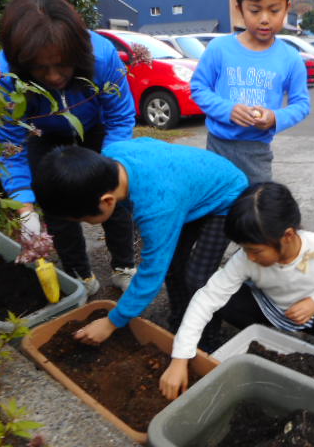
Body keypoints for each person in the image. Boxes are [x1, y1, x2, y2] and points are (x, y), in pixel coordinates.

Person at [0, 0, 137, 294]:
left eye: (63, 65)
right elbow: (8, 146)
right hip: (44, 134)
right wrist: (24, 207)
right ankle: (79, 275)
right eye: (41, 68)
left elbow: (120, 118)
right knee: (57, 206)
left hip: (97, 129)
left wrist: (109, 168)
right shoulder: (4, 78)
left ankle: (123, 266)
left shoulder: (102, 55)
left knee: (114, 198)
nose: (54, 77)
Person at [159, 182, 314, 400]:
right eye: (244, 249)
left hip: (313, 308)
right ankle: (258, 335)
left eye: (255, 250)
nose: (249, 257)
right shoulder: (246, 259)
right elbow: (207, 297)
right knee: (220, 298)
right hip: (269, 304)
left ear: (288, 236)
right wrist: (180, 358)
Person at [32, 138, 248, 346]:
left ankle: (209, 339)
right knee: (174, 264)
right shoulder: (112, 155)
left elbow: (152, 271)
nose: (87, 224)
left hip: (225, 196)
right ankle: (181, 320)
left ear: (107, 201)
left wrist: (111, 321)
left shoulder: (157, 208)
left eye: (85, 220)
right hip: (188, 191)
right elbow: (151, 144)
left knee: (197, 277)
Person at [190, 0, 310, 184]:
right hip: (218, 146)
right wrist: (228, 110)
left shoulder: (291, 58)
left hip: (258, 152)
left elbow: (301, 104)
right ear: (239, 9)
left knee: (256, 211)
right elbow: (199, 88)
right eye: (255, 11)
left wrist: (275, 118)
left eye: (274, 11)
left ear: (286, 8)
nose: (265, 19)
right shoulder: (219, 48)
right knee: (217, 209)